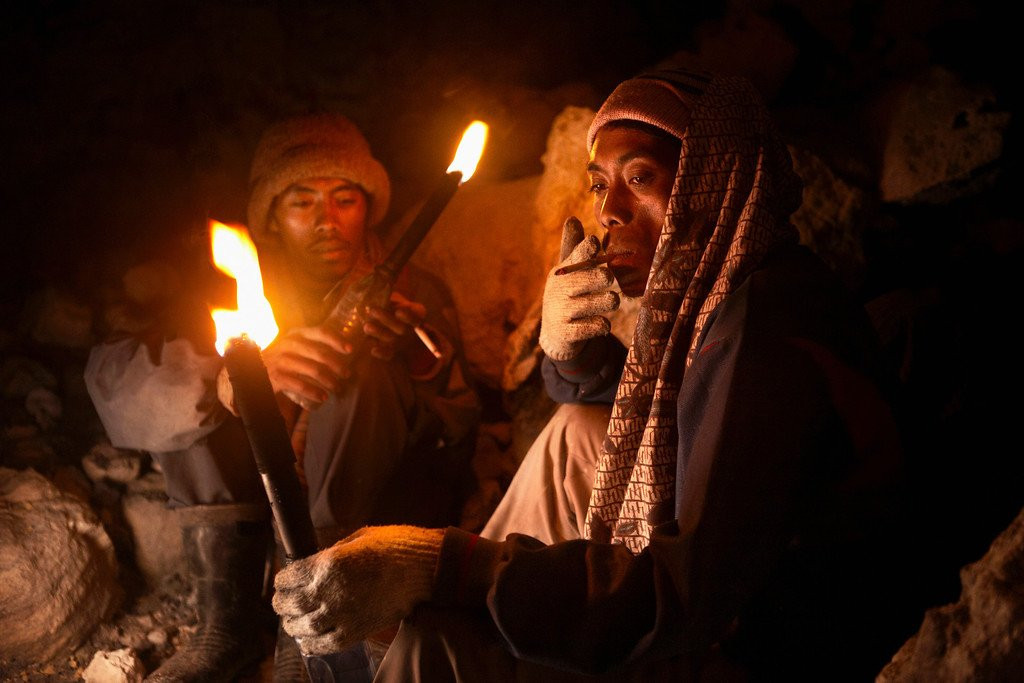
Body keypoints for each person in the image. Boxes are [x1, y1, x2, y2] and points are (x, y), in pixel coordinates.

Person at [270, 70, 908, 680]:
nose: (610, 211)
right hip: (720, 614)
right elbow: (657, 410)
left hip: (764, 655)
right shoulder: (729, 295)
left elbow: (678, 599)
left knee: (442, 646)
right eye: (601, 184)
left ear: (716, 180)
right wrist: (572, 350)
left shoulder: (766, 338)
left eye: (642, 177)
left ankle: (421, 636)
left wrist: (451, 567)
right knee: (579, 428)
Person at [84, 113, 480, 682]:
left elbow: (460, 425)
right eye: (302, 202)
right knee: (205, 380)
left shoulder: (411, 293)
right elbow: (116, 382)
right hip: (258, 489)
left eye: (345, 199)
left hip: (360, 516)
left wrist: (415, 361)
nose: (327, 221)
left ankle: (312, 625)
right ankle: (227, 627)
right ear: (271, 215)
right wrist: (235, 381)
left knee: (354, 377)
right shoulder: (234, 293)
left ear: (369, 207)